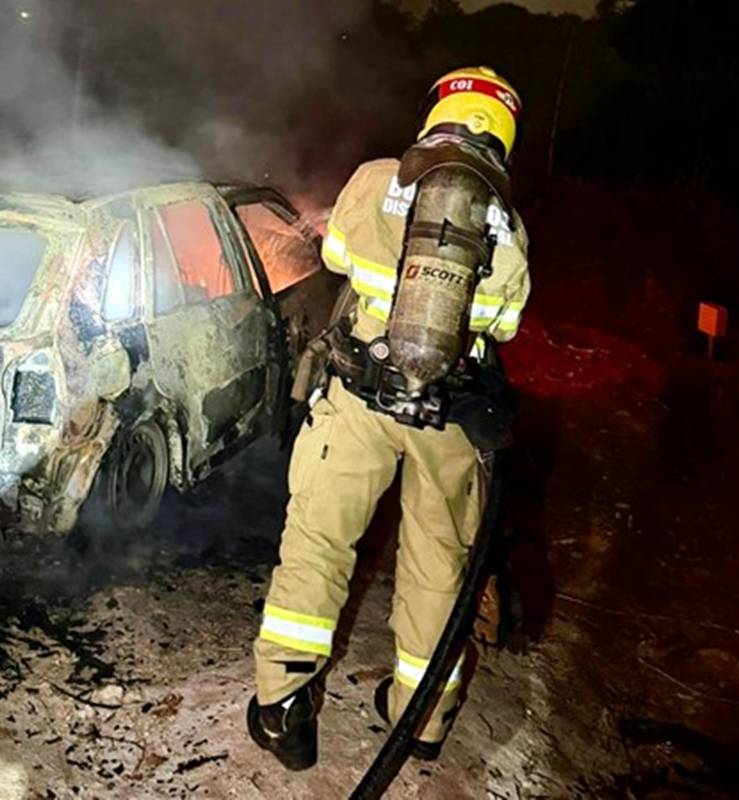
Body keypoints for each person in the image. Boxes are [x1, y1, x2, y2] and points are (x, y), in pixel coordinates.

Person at [247, 66, 531, 771]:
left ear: (436, 113)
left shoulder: (376, 179)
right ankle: (422, 718)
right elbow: (504, 323)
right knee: (439, 565)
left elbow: (336, 255)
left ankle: (284, 707)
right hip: (450, 415)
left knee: (318, 541)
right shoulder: (509, 227)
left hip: (359, 396)